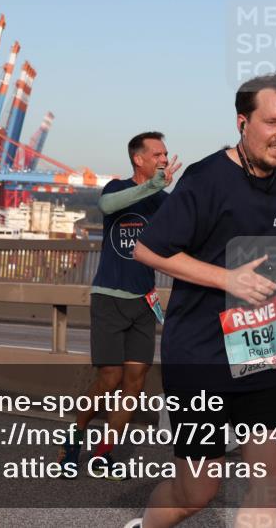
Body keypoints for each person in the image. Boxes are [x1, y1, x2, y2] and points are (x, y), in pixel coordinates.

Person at [125, 72, 276, 528]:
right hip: (200, 355)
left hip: (264, 354)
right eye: (271, 122)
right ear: (243, 121)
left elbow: (264, 234)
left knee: (270, 485)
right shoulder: (206, 178)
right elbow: (148, 249)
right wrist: (227, 279)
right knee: (196, 492)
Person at [57, 132, 180, 476]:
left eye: (166, 154)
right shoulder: (116, 188)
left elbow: (188, 226)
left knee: (135, 381)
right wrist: (152, 187)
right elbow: (108, 207)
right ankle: (76, 432)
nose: (163, 159)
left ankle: (104, 451)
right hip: (109, 298)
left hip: (144, 301)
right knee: (109, 379)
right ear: (138, 159)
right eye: (157, 154)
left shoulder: (161, 200)